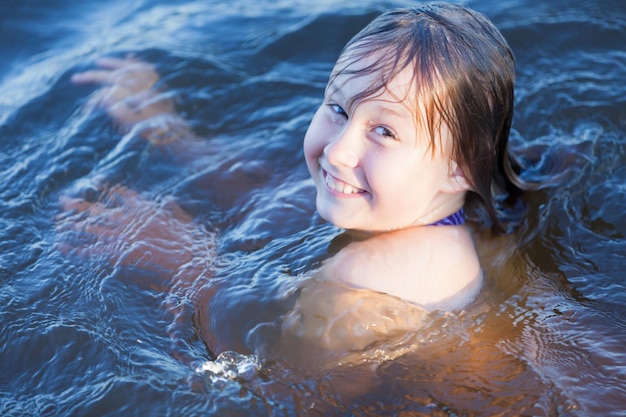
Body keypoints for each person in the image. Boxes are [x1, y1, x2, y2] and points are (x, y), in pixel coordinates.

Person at [57, 2, 524, 362]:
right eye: (338, 108)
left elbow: (271, 378)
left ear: (460, 167)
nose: (338, 151)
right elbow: (275, 192)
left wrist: (186, 262)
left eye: (384, 131)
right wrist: (170, 133)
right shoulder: (448, 215)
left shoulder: (362, 281)